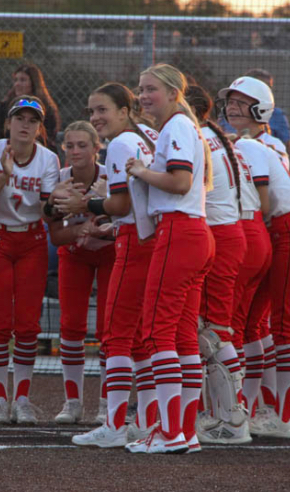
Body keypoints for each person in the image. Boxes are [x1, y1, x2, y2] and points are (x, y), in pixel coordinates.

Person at [220, 75, 290, 439]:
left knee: (283, 327)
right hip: (281, 233)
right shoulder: (246, 143)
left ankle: (283, 416)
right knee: (255, 324)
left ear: (261, 107)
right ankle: (253, 408)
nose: (232, 106)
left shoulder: (261, 144)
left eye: (241, 101)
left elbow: (262, 204)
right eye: (230, 100)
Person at [57, 83, 160, 449]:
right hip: (154, 239)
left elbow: (120, 204)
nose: (96, 117)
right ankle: (148, 421)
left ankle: (115, 423)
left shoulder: (121, 143)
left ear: (124, 110)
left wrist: (85, 207)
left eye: (102, 110)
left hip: (136, 242)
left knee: (117, 335)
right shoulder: (147, 135)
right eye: (91, 111)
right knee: (142, 339)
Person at [123, 63, 215, 455]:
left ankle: (171, 431)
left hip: (180, 232)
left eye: (151, 89)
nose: (143, 96)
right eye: (141, 89)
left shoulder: (177, 126)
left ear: (175, 92)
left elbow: (178, 182)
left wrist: (142, 171)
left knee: (158, 330)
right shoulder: (181, 127)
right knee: (180, 337)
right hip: (193, 232)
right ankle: (183, 431)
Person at [0, 96, 59, 425]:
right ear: (8, 123)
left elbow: (47, 213)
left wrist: (61, 205)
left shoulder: (47, 160)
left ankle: (22, 399)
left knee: (29, 325)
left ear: (39, 127)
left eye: (33, 120)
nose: (25, 125)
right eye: (20, 118)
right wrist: (4, 176)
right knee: (0, 323)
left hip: (31, 240)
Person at [187, 84, 262, 445]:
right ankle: (224, 415)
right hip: (231, 232)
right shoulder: (211, 135)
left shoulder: (197, 135)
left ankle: (232, 420)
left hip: (222, 236)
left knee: (214, 333)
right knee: (213, 330)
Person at [44, 120, 115, 424]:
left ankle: (106, 402)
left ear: (97, 148)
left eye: (82, 145)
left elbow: (124, 228)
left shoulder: (111, 177)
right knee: (71, 325)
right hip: (74, 253)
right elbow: (56, 236)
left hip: (109, 253)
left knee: (108, 328)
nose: (75, 151)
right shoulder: (59, 179)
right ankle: (72, 402)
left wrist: (97, 217)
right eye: (70, 145)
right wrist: (82, 228)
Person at [241, 68, 290, 184]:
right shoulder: (231, 113)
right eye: (262, 87)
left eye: (269, 88)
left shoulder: (277, 115)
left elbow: (289, 149)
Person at [0, 63, 62, 152]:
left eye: (23, 80)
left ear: (33, 83)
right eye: (15, 80)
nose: (17, 84)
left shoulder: (47, 109)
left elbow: (49, 138)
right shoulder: (4, 107)